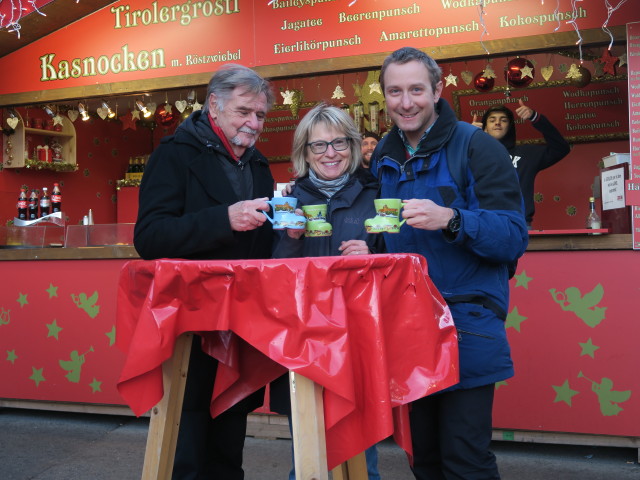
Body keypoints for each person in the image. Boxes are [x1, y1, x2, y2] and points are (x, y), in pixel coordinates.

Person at [369, 47, 528, 479]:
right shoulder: (383, 154)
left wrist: (452, 219)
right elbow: (385, 239)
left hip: (467, 324)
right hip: (407, 325)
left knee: (465, 460)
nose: (406, 102)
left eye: (416, 89)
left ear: (438, 89)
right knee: (425, 460)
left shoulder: (477, 147)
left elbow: (513, 238)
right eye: (395, 91)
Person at [133, 64, 276, 479]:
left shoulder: (259, 165)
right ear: (213, 105)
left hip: (241, 320)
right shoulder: (173, 155)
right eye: (244, 112)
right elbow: (151, 237)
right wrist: (223, 220)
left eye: (261, 115)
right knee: (189, 438)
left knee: (231, 437)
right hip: (190, 321)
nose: (254, 123)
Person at [270, 102, 384, 480]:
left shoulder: (375, 196)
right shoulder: (288, 201)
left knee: (360, 456)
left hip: (360, 337)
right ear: (304, 152)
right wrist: (290, 239)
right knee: (306, 457)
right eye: (318, 146)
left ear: (352, 147)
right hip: (303, 339)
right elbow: (272, 277)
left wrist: (373, 254)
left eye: (338, 143)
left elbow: (399, 264)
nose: (330, 153)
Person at [471, 99, 571, 226]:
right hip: (482, 225)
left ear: (510, 127)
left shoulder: (527, 154)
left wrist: (536, 118)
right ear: (484, 128)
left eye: (503, 120)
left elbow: (561, 148)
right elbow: (448, 168)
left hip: (518, 225)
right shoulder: (473, 155)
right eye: (492, 120)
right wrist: (468, 137)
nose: (497, 123)